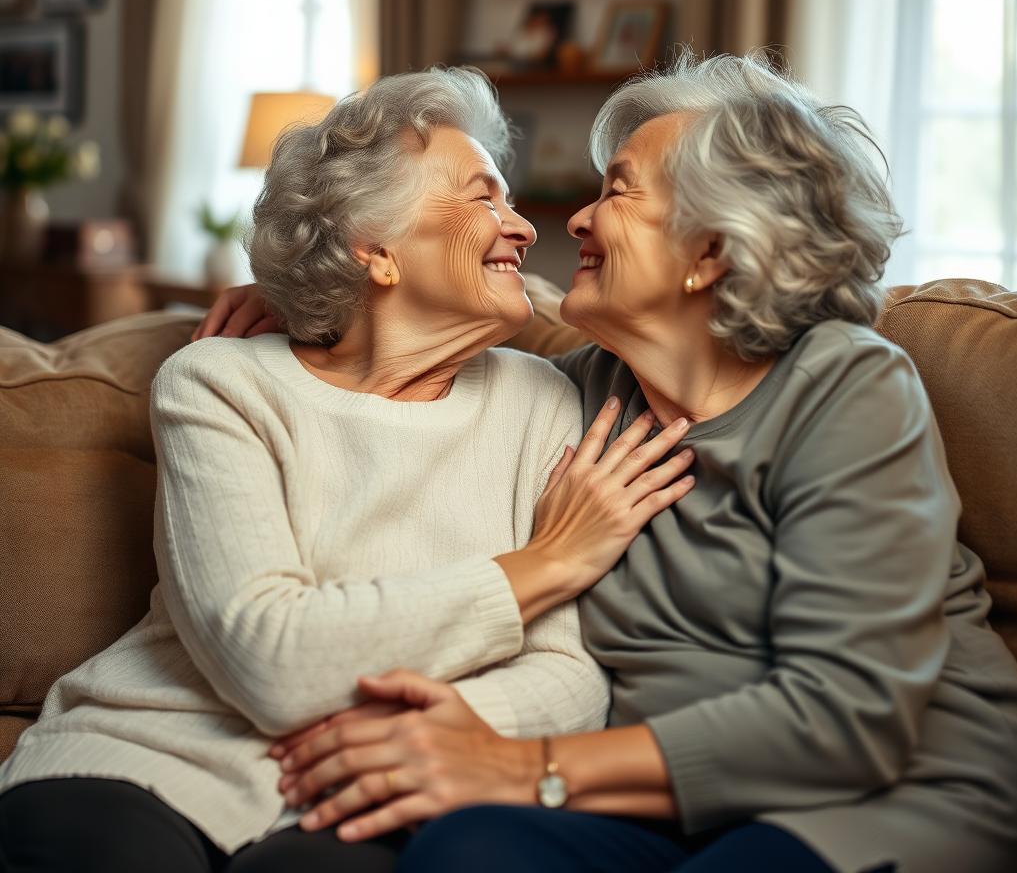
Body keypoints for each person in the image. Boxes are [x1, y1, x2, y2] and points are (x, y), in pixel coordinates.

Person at [193, 52, 1017, 873]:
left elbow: (848, 720)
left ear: (710, 255)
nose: (576, 222)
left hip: (881, 798)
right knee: (464, 853)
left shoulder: (844, 387)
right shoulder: (580, 394)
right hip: (658, 810)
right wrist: (326, 294)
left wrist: (521, 766)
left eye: (617, 191)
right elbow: (457, 328)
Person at [0, 67, 697, 873]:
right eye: (483, 199)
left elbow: (569, 678)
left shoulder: (544, 399)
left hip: (376, 784)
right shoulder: (222, 383)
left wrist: (422, 733)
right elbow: (271, 658)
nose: (524, 228)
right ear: (376, 246)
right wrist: (544, 565)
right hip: (149, 756)